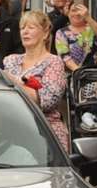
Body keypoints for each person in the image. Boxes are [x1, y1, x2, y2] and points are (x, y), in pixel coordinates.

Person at [4, 10, 70, 153]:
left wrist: (13, 81)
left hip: (45, 133)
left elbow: (47, 101)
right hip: (11, 134)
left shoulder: (54, 62)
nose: (25, 32)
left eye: (31, 27)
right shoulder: (11, 60)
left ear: (45, 34)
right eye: (22, 28)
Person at [55, 0, 97, 71]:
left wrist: (88, 17)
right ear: (68, 13)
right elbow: (65, 57)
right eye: (73, 10)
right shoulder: (61, 33)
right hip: (74, 75)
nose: (77, 14)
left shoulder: (93, 28)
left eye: (80, 10)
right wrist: (80, 73)